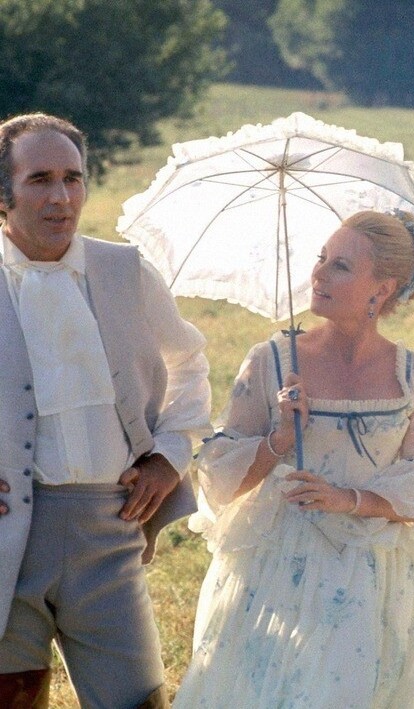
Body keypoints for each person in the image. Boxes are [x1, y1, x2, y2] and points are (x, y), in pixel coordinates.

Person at [173, 209, 414, 707]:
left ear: (382, 290)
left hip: (375, 572)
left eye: (340, 266)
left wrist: (350, 499)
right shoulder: (271, 360)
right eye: (321, 258)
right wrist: (280, 438)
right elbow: (217, 473)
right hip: (277, 565)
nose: (319, 274)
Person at [0, 113, 212, 708]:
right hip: (7, 534)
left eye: (73, 178)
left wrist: (169, 456)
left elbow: (188, 361)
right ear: (3, 194)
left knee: (136, 701)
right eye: (40, 179)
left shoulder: (125, 271)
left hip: (109, 526)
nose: (61, 197)